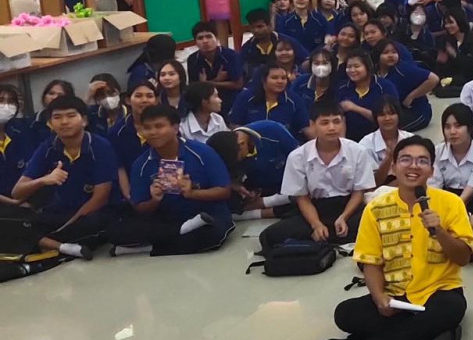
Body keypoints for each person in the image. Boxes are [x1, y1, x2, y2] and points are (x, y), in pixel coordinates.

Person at [311, 135, 473, 340]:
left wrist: (439, 232)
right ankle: (432, 333)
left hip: (439, 293)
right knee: (345, 314)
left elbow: (463, 258)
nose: (414, 166)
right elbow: (371, 262)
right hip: (396, 295)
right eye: (406, 160)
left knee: (451, 308)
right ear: (394, 167)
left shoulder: (451, 203)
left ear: (432, 170)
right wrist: (379, 298)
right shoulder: (375, 209)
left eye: (422, 161)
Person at [108, 104, 235, 256]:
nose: (152, 132)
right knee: (116, 232)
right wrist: (154, 200)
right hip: (167, 218)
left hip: (205, 214)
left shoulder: (202, 152)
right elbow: (140, 207)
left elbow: (224, 191)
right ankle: (180, 231)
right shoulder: (141, 164)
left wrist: (192, 193)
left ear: (175, 128)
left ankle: (151, 247)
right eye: (147, 128)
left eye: (159, 126)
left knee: (212, 234)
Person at [3, 96, 118, 259]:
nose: (64, 122)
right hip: (60, 212)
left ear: (84, 121)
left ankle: (48, 243)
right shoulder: (48, 147)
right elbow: (17, 192)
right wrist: (43, 180)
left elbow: (100, 198)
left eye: (71, 116)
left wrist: (66, 226)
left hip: (92, 213)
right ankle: (63, 246)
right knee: (13, 223)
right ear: (50, 123)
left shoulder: (100, 147)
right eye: (57, 117)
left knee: (96, 224)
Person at [259, 98, 374, 249]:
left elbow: (359, 192)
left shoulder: (358, 151)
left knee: (376, 224)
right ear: (312, 125)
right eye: (324, 123)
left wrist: (343, 217)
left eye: (337, 122)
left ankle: (321, 242)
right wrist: (316, 224)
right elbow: (302, 198)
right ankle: (325, 239)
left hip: (349, 207)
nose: (332, 128)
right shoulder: (298, 156)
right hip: (315, 208)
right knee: (270, 236)